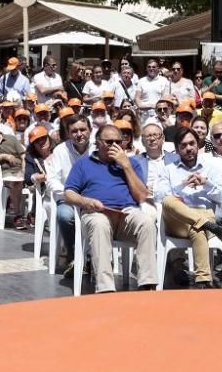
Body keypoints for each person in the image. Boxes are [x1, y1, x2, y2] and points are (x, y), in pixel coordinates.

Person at [64, 124, 158, 292]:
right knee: (99, 224)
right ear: (98, 143)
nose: (114, 146)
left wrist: (126, 166)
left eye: (118, 142)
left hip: (126, 214)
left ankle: (147, 283)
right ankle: (105, 288)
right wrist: (86, 202)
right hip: (97, 212)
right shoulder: (83, 164)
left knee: (147, 223)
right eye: (109, 142)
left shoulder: (132, 164)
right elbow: (69, 194)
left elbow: (141, 196)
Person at [155, 127, 222, 288]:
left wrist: (206, 183)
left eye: (192, 144)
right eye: (183, 145)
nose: (188, 148)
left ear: (198, 145)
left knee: (197, 228)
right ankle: (205, 224)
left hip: (204, 214)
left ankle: (203, 280)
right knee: (168, 200)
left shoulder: (211, 166)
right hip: (178, 220)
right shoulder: (168, 169)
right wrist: (182, 186)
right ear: (177, 149)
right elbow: (159, 196)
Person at [47, 114, 91, 267]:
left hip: (93, 199)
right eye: (74, 131)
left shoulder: (98, 149)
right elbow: (52, 180)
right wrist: (70, 194)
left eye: (82, 130)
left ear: (90, 130)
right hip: (68, 198)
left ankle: (94, 256)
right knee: (64, 215)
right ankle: (74, 256)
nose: (79, 134)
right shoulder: (60, 150)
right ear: (68, 133)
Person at [135, 59, 169, 123]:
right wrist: (150, 106)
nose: (151, 69)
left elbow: (165, 98)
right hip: (144, 116)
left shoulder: (164, 81)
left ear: (158, 68)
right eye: (149, 67)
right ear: (146, 68)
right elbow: (137, 99)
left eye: (154, 67)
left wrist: (157, 106)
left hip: (159, 115)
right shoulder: (141, 81)